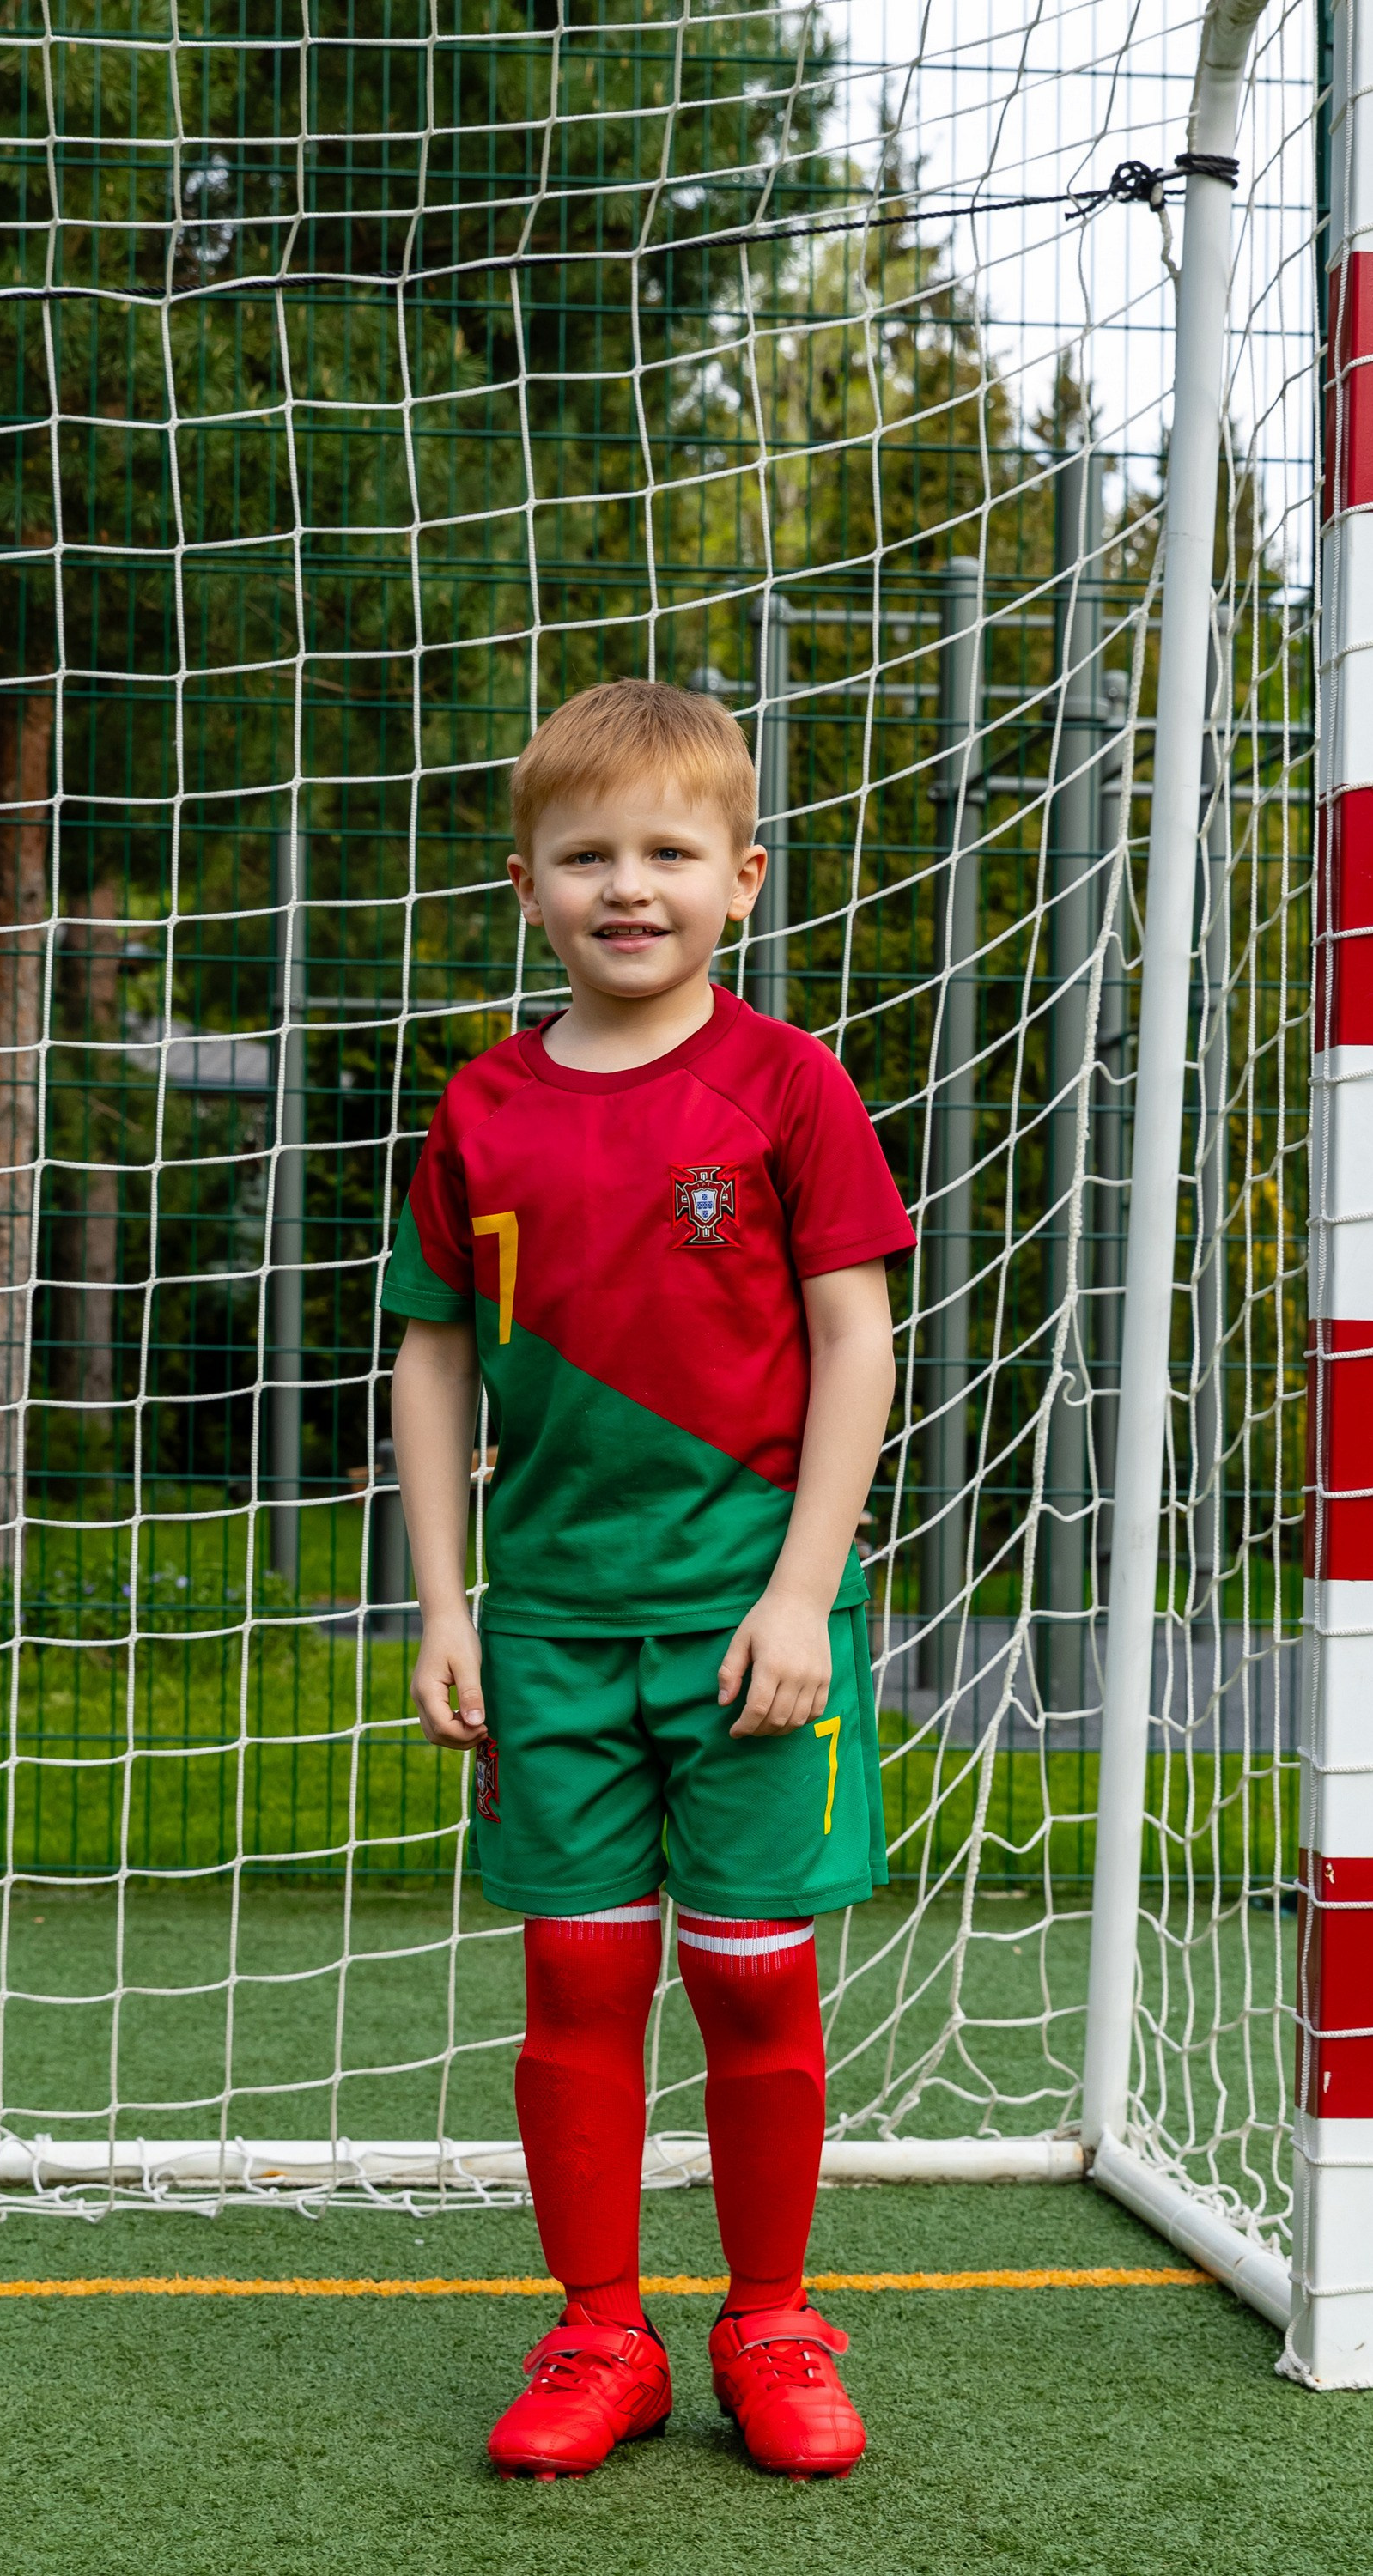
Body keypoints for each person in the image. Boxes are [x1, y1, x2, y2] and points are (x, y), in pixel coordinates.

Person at [384, 678, 914, 2482]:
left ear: (744, 878)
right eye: (586, 854)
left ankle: (771, 2318)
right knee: (578, 1975)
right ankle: (599, 2328)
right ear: (526, 882)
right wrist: (444, 1606)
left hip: (750, 1622)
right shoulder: (481, 1110)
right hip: (545, 1625)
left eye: (669, 852)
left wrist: (798, 1593)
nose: (630, 886)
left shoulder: (789, 1085)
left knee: (755, 1974)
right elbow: (432, 1358)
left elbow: (858, 1341)